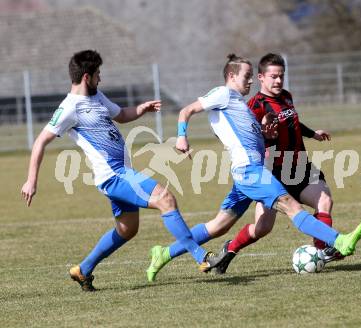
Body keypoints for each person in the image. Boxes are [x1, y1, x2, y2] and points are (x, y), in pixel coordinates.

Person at [146, 54, 361, 281]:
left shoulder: (239, 103)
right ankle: (339, 241)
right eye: (247, 76)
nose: (251, 81)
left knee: (218, 226)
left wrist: (266, 135)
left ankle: (163, 253)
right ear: (232, 76)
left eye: (252, 76)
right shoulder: (222, 94)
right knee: (290, 206)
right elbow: (186, 111)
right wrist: (181, 137)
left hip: (248, 171)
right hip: (249, 172)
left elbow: (246, 137)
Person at [20, 50, 220, 292]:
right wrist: (31, 180)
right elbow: (40, 141)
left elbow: (121, 115)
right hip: (113, 175)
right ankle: (202, 257)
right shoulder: (69, 108)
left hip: (121, 172)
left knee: (127, 228)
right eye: (97, 74)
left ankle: (83, 269)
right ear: (86, 77)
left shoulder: (97, 97)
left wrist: (141, 109)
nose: (100, 79)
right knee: (166, 199)